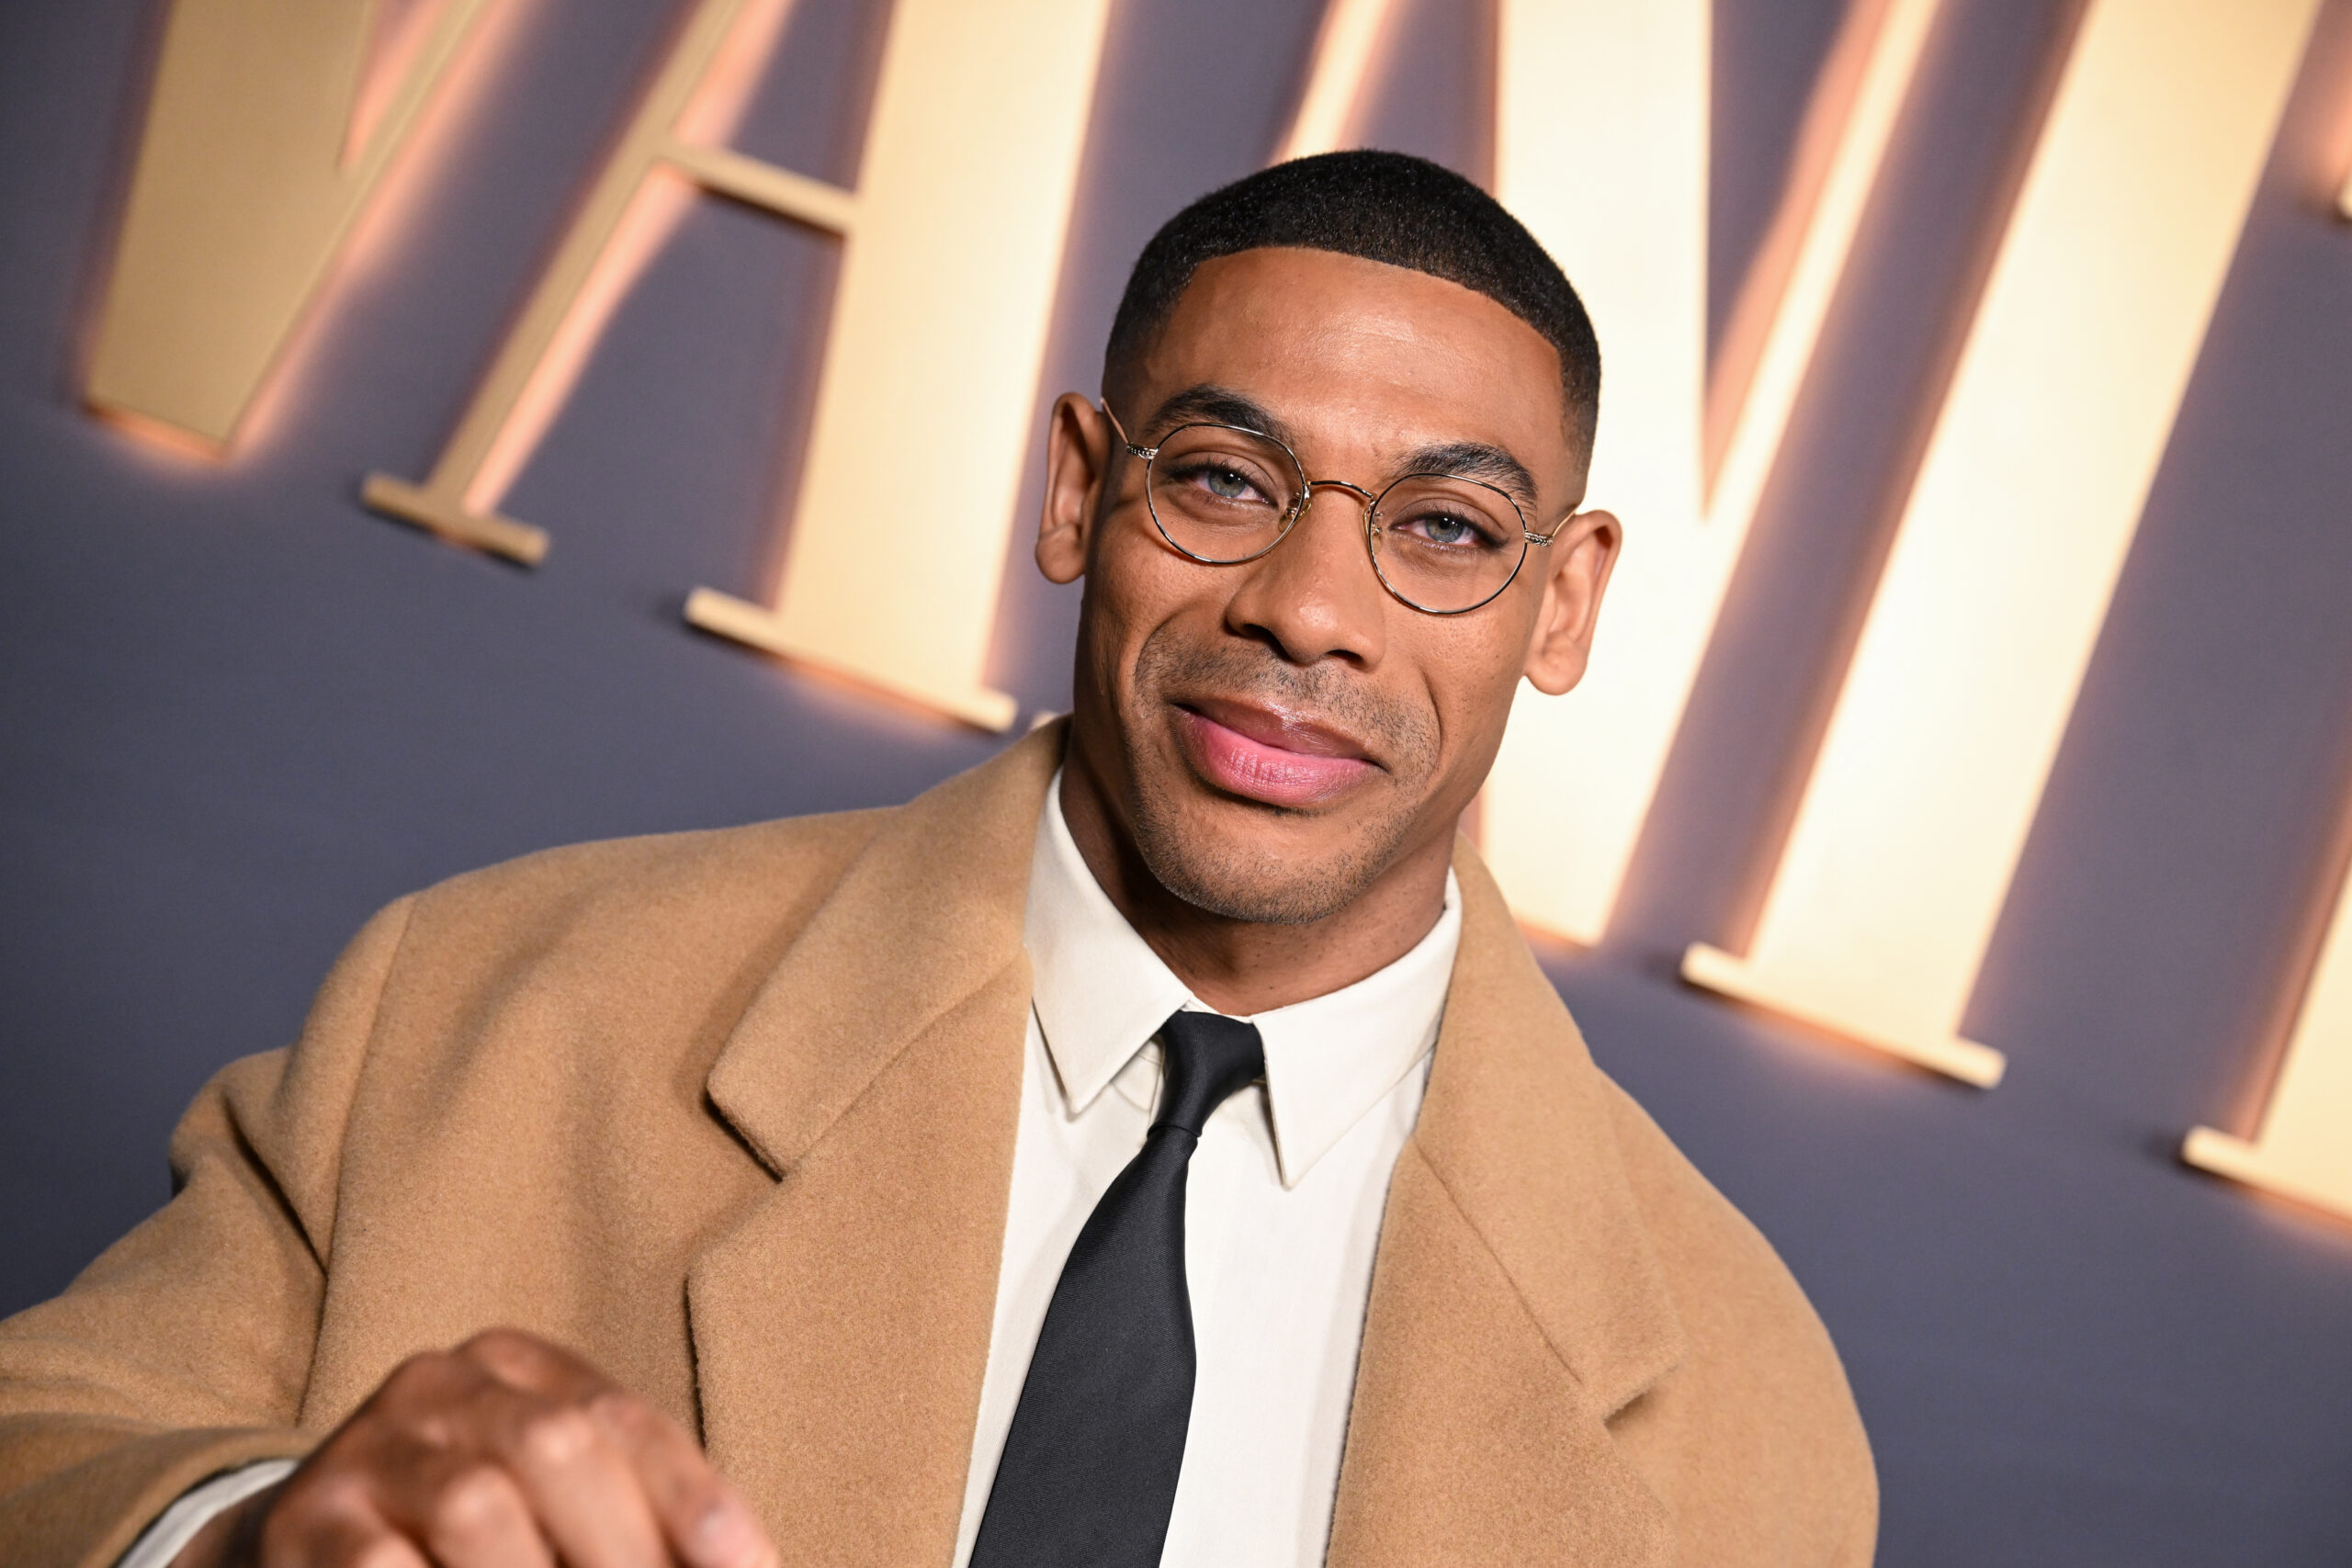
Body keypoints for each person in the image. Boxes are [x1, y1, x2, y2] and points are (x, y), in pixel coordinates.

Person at [0, 151, 1874, 1568]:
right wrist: (257, 1526)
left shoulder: (1750, 1402)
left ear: (1561, 601)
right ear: (1077, 487)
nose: (1309, 609)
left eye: (1445, 527)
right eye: (1221, 478)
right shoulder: (484, 1001)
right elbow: (48, 1439)